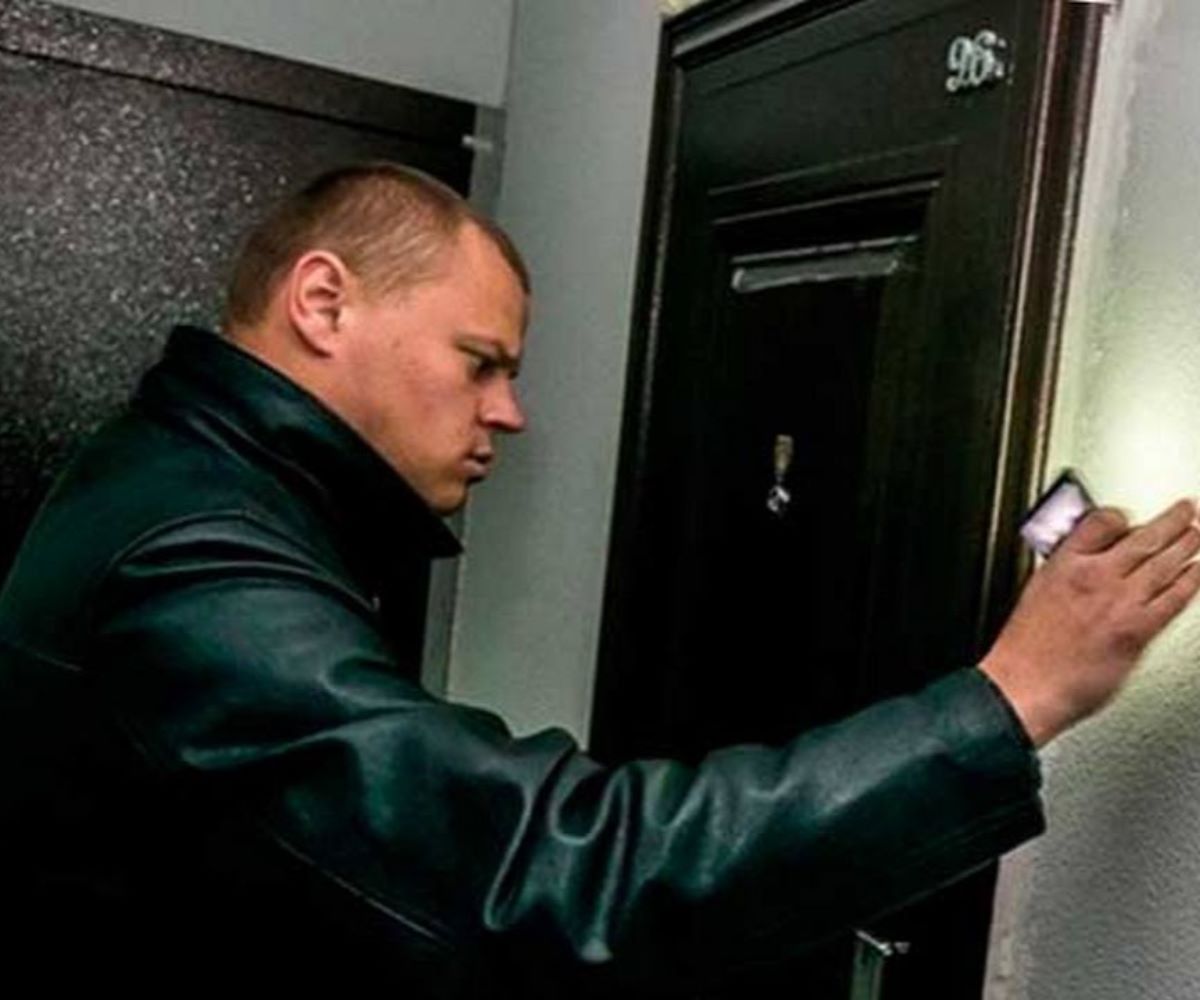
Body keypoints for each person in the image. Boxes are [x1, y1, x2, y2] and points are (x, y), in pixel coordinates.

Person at [1, 162, 1197, 996]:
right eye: (481, 362)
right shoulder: (194, 559)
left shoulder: (179, 475)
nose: (510, 411)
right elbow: (553, 871)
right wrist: (1015, 695)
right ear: (323, 301)